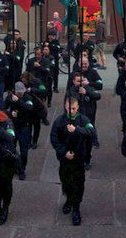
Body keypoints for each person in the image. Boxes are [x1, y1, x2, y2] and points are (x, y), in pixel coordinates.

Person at [51, 96, 95, 226]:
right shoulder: (59, 121)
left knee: (78, 183)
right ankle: (69, 199)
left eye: (74, 108)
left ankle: (76, 208)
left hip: (79, 159)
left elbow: (92, 132)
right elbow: (54, 138)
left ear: (78, 107)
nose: (71, 111)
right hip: (65, 159)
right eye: (69, 108)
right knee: (66, 181)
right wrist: (64, 151)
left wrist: (77, 130)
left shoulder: (83, 119)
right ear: (65, 107)